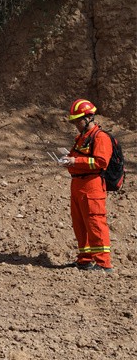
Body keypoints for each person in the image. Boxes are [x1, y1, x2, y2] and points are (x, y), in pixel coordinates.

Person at [57, 99, 114, 272]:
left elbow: (101, 162)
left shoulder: (101, 137)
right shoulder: (81, 138)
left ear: (89, 118)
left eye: (78, 121)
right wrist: (68, 161)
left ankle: (103, 263)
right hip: (78, 185)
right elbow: (76, 158)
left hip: (92, 185)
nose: (76, 125)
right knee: (80, 223)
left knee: (95, 222)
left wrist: (76, 161)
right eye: (74, 122)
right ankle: (85, 259)